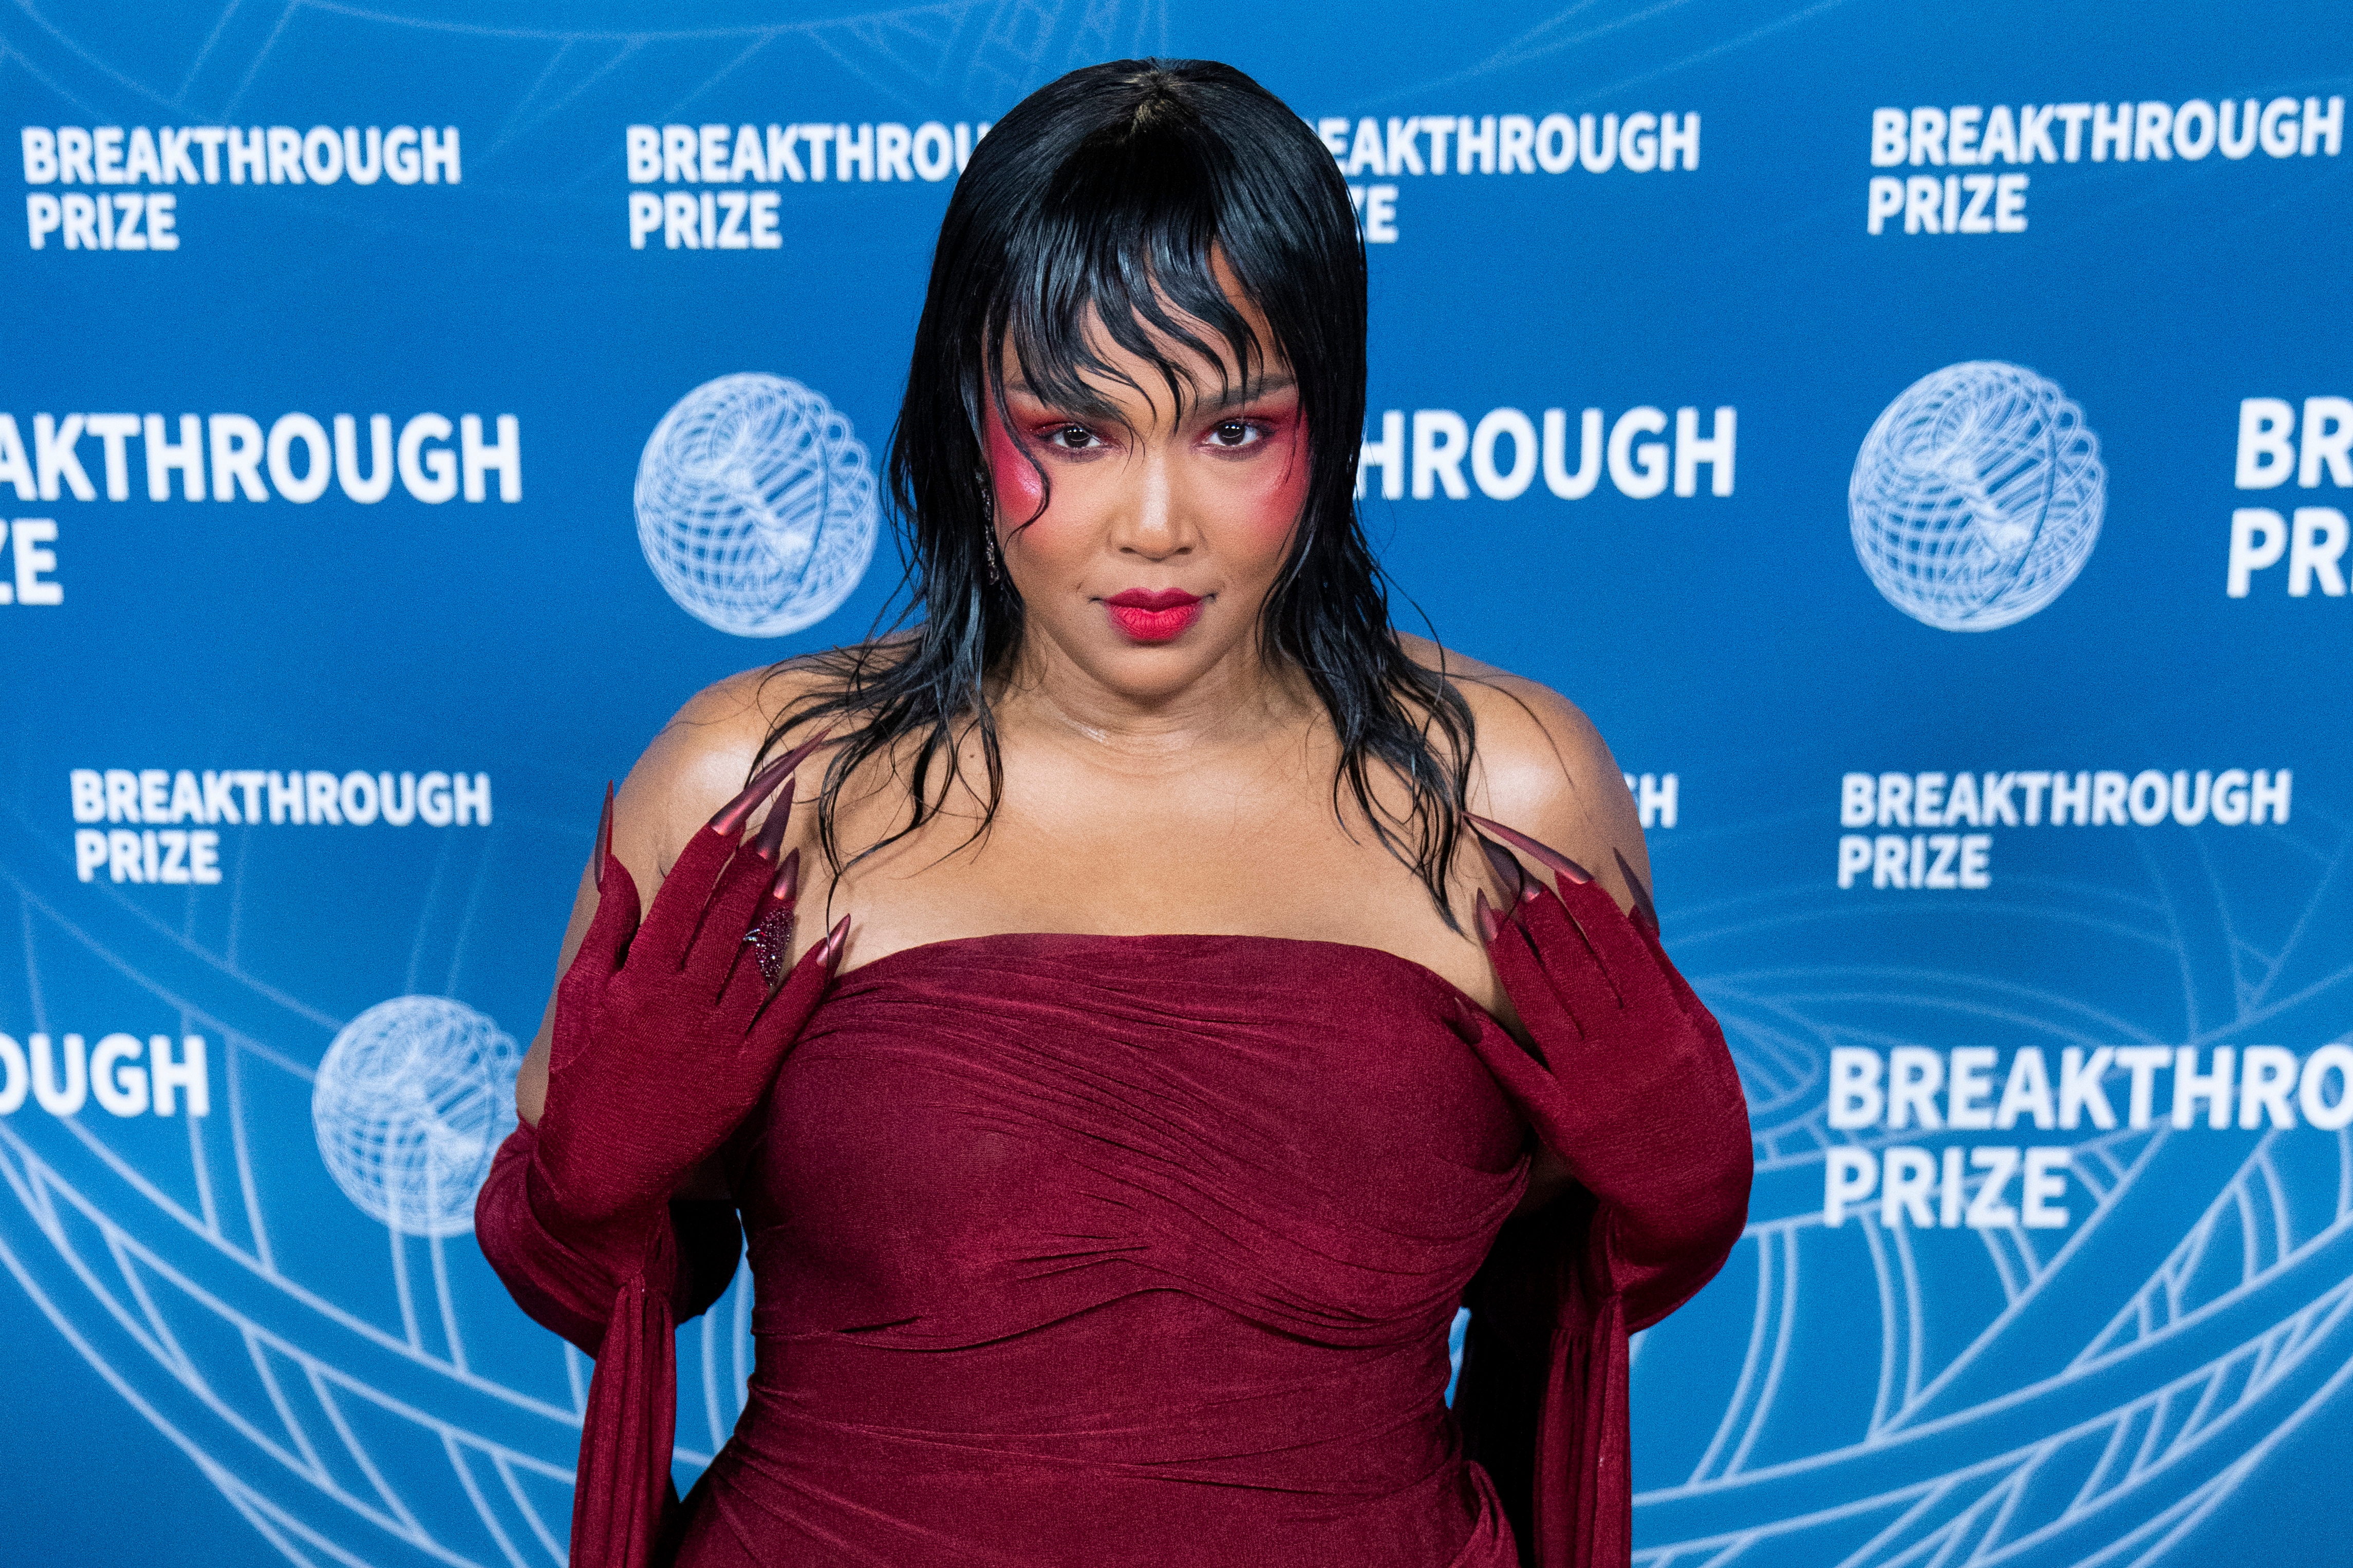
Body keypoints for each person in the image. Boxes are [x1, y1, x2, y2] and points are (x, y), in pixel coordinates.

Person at [477, 57, 1751, 1568]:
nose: (1155, 522)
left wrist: (1671, 1219)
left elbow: (1556, 1280)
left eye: (1231, 431)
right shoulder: (758, 786)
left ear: (1327, 426)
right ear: (967, 419)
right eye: (1073, 433)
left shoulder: (1508, 786)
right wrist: (585, 1187)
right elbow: (583, 1272)